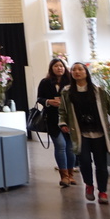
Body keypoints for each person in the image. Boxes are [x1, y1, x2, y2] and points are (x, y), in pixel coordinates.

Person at [59, 62, 110, 204]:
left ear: (86, 72)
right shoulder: (67, 92)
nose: (77, 72)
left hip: (99, 133)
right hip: (80, 133)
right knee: (85, 162)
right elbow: (62, 111)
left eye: (80, 69)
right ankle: (89, 185)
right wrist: (63, 123)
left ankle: (103, 191)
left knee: (101, 164)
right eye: (74, 70)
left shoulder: (99, 90)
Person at [37, 59, 76, 187]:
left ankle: (70, 175)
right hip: (52, 119)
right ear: (51, 68)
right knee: (60, 145)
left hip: (69, 119)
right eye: (56, 66)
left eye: (61, 66)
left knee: (70, 147)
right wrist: (49, 102)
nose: (59, 68)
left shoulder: (70, 82)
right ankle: (64, 176)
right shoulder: (45, 82)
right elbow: (39, 98)